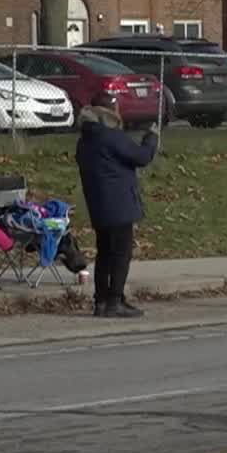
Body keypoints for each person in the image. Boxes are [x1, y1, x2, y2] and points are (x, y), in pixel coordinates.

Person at [75, 90, 157, 318]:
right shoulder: (110, 136)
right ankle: (114, 300)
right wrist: (151, 138)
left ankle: (101, 301)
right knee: (121, 254)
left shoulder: (85, 140)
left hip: (98, 204)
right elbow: (141, 157)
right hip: (119, 203)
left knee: (104, 253)